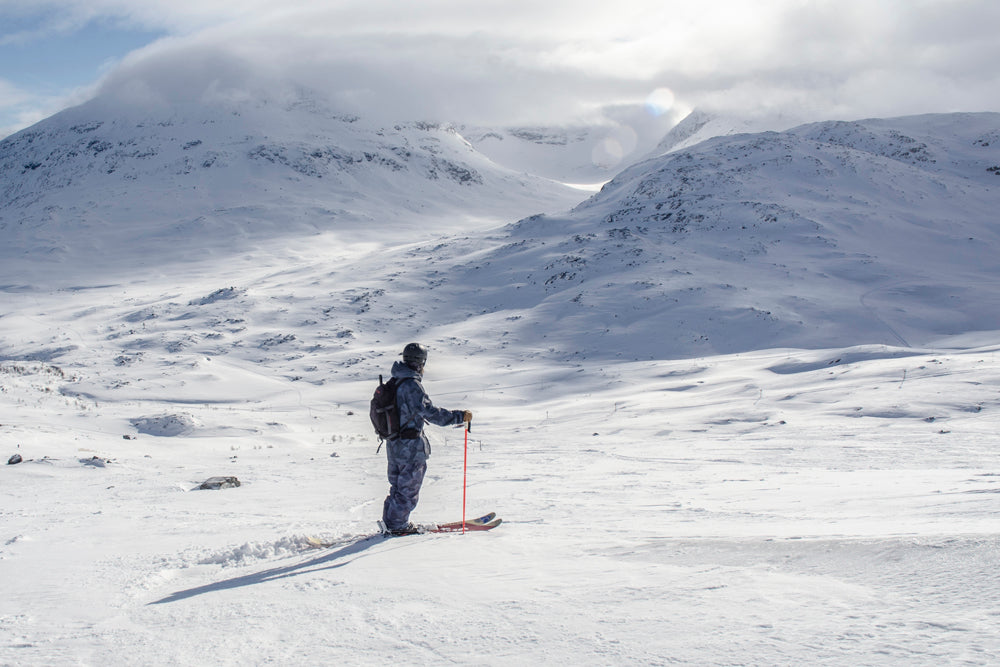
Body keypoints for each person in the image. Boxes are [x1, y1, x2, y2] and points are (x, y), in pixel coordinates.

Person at [380, 343, 472, 536]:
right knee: (407, 490)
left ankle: (391, 522)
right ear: (421, 362)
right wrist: (459, 416)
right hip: (410, 447)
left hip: (394, 445)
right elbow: (430, 413)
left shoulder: (395, 381)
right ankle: (397, 527)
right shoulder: (411, 385)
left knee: (397, 487)